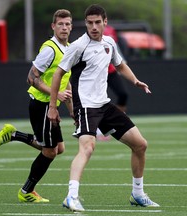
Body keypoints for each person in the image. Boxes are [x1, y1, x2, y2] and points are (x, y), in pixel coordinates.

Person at [48, 4, 160, 212]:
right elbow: (58, 74)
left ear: (105, 22)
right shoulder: (78, 46)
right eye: (89, 23)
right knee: (88, 148)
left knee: (140, 145)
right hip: (86, 107)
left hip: (104, 105)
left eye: (97, 22)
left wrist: (135, 81)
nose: (93, 27)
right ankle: (71, 196)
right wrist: (53, 107)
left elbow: (119, 65)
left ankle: (137, 194)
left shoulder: (109, 42)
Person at [0, 9, 73, 203]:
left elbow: (65, 80)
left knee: (58, 148)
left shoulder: (69, 48)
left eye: (67, 24)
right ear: (53, 26)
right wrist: (56, 95)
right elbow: (31, 77)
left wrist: (70, 109)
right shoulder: (50, 49)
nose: (64, 28)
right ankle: (26, 190)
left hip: (51, 105)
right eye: (60, 24)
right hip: (41, 105)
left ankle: (13, 135)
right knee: (50, 151)